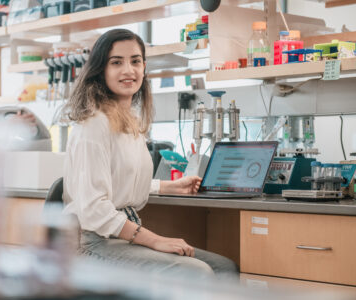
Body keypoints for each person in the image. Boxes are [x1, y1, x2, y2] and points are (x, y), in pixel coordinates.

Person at [62, 29, 238, 279]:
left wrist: (168, 187)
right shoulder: (93, 124)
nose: (128, 70)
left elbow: (119, 177)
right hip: (91, 243)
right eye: (116, 62)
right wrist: (155, 240)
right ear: (101, 70)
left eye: (135, 61)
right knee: (197, 272)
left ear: (144, 67)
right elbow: (93, 208)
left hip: (116, 236)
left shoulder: (128, 121)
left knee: (224, 268)